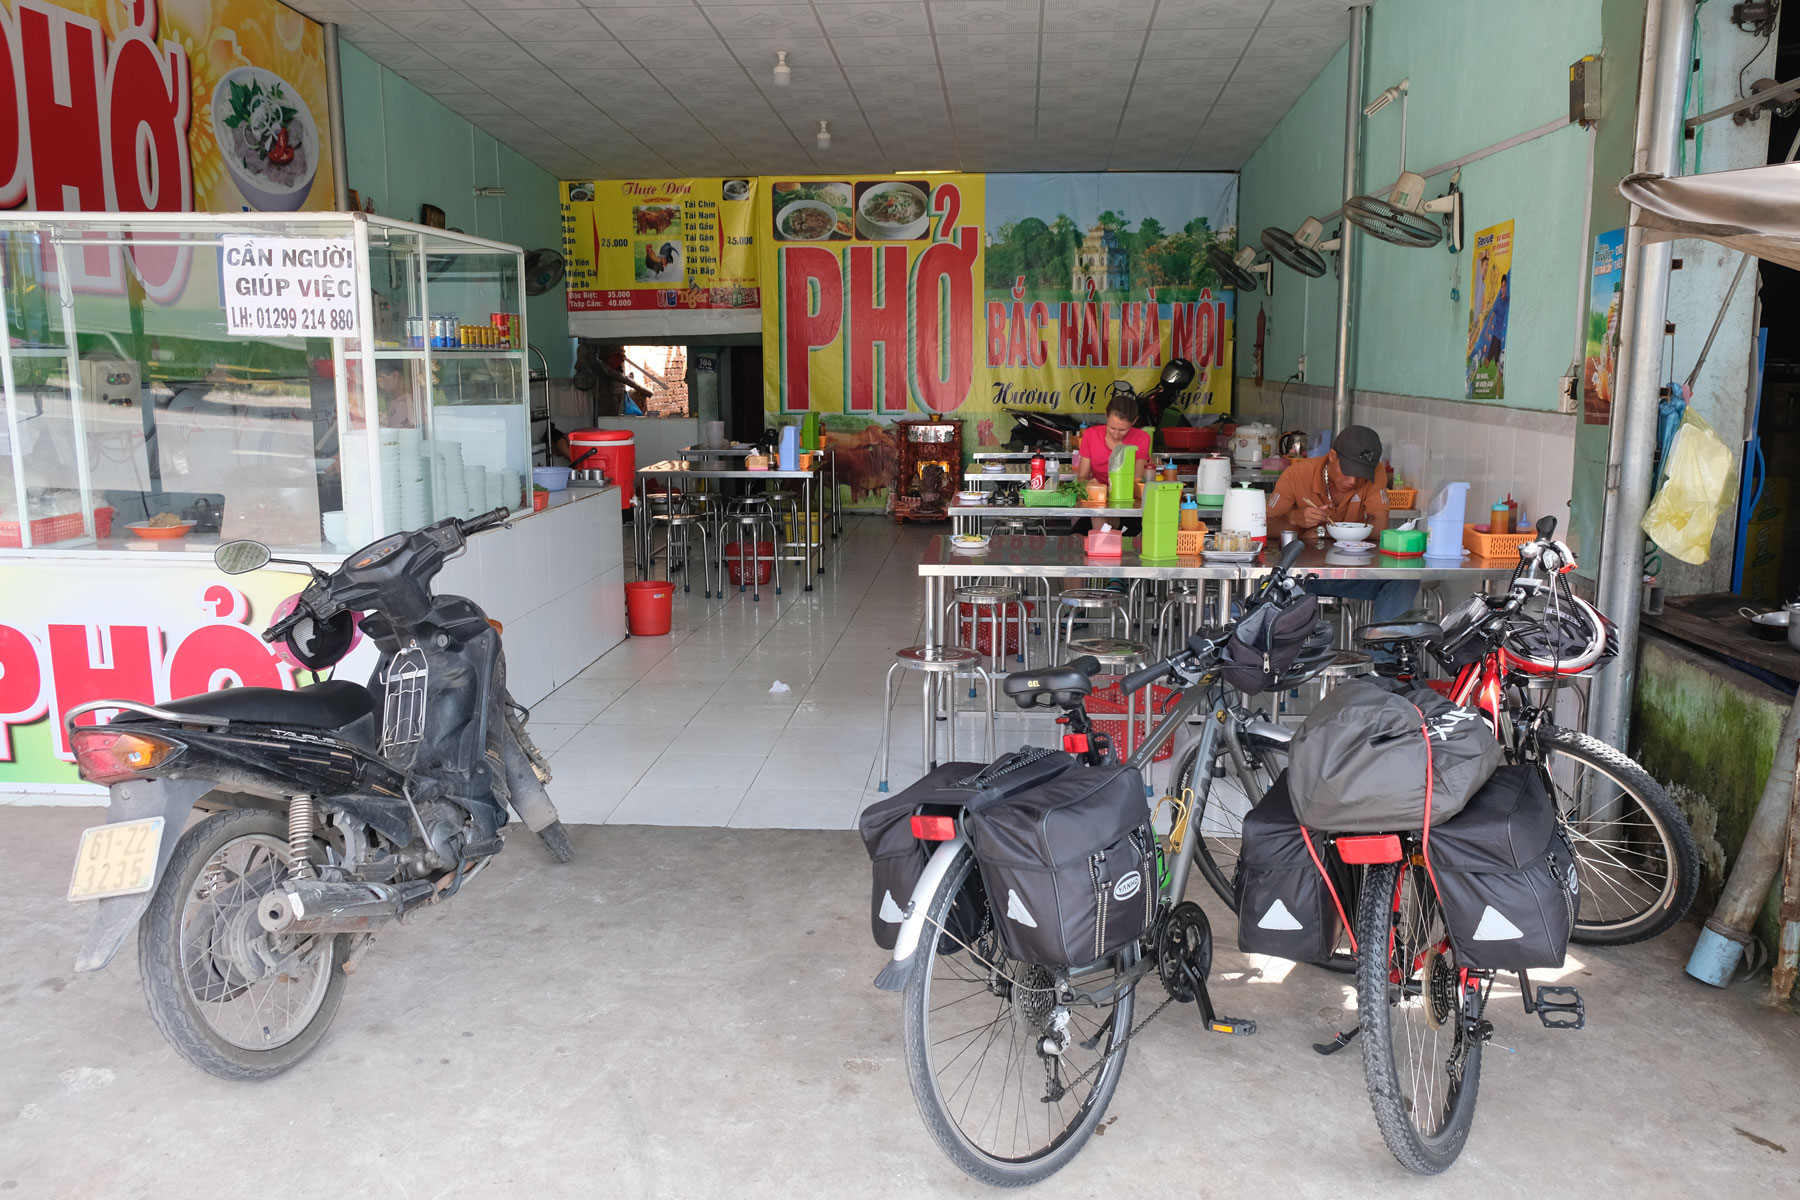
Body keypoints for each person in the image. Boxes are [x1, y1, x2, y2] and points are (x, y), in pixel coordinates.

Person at [1267, 424, 1417, 626]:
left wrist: (1322, 532)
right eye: (1348, 471)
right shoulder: (1297, 475)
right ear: (1331, 456)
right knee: (1270, 586)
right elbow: (1265, 526)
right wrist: (1294, 519)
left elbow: (1380, 528)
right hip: (1301, 576)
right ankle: (1288, 656)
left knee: (1404, 579)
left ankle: (1383, 656)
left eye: (1361, 474)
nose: (1354, 481)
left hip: (1354, 574)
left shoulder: (1376, 472)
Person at [1072, 391, 1153, 535]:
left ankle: (1102, 546)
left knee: (1102, 528)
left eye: (1123, 430)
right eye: (1112, 428)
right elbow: (1082, 477)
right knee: (1076, 537)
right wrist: (1090, 485)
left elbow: (1136, 480)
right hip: (1097, 504)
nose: (1116, 434)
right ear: (1106, 416)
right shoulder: (1091, 435)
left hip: (1127, 508)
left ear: (1134, 422)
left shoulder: (1141, 438)